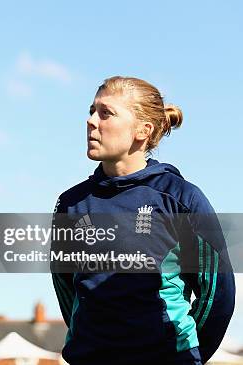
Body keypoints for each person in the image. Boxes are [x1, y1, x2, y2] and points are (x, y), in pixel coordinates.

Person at [51, 76, 235, 365]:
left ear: (142, 130)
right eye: (91, 110)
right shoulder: (69, 203)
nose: (91, 121)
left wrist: (184, 353)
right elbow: (67, 290)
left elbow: (218, 295)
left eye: (106, 113)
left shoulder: (182, 199)